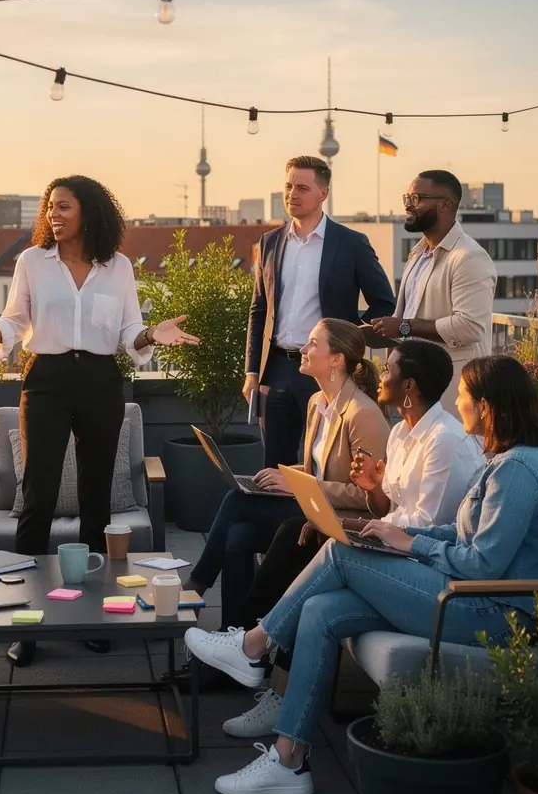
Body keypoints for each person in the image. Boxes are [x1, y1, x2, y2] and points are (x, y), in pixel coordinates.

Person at [185, 354, 538, 794]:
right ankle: (289, 759)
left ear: (487, 406)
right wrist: (402, 532)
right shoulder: (507, 460)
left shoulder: (518, 470)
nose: (458, 402)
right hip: (469, 595)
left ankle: (253, 645)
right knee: (320, 609)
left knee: (340, 552)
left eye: (464, 396)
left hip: (490, 612)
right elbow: (464, 531)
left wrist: (413, 545)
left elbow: (483, 563)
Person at [0, 175, 200, 666]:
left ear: (90, 212)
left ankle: (98, 614)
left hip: (101, 380)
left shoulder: (116, 267)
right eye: (50, 207)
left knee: (98, 501)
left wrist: (152, 337)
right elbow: (14, 323)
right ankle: (27, 622)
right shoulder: (32, 262)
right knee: (37, 495)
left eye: (64, 207)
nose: (54, 215)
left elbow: (128, 333)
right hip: (47, 379)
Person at [222, 337, 483, 738]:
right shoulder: (400, 434)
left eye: (391, 368)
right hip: (402, 550)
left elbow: (423, 526)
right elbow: (388, 510)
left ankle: (247, 644)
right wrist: (374, 489)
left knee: (319, 544)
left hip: (426, 566)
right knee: (314, 585)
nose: (379, 372)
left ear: (409, 386)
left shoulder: (444, 440)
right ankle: (284, 725)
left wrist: (351, 528)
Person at [186, 318, 389, 632]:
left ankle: (195, 588)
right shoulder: (316, 403)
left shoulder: (362, 415)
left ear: (337, 360)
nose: (303, 350)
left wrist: (297, 485)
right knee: (238, 536)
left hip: (336, 517)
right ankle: (233, 636)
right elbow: (316, 468)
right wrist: (283, 474)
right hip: (310, 503)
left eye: (313, 344)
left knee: (237, 500)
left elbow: (368, 494)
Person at [246, 156, 395, 468]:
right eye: (288, 186)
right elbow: (259, 310)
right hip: (278, 369)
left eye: (302, 187)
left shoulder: (351, 243)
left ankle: (317, 519)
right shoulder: (270, 242)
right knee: (274, 466)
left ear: (323, 193)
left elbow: (384, 304)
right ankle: (279, 519)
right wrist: (252, 372)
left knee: (325, 462)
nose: (292, 194)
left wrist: (347, 338)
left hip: (329, 370)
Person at [369, 170, 496, 418]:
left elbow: (469, 327)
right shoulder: (418, 254)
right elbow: (406, 324)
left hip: (453, 396)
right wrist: (375, 333)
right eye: (407, 198)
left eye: (417, 198)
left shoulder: (469, 257)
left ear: (445, 206)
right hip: (414, 393)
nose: (408, 205)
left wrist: (404, 327)